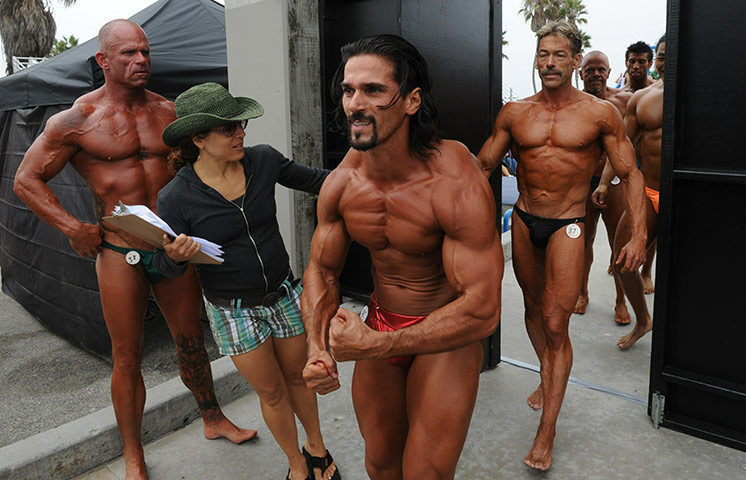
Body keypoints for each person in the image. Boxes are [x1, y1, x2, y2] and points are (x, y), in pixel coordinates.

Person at [13, 20, 255, 480]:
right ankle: (133, 454)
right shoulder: (76, 119)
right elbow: (26, 180)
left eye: (144, 51)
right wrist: (71, 227)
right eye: (127, 53)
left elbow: (205, 165)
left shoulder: (170, 113)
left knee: (191, 341)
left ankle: (212, 418)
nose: (140, 60)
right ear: (103, 60)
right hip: (118, 249)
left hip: (172, 248)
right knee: (127, 355)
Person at [301, 34, 502, 479]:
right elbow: (322, 269)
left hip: (445, 334)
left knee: (425, 473)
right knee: (380, 464)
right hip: (381, 321)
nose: (355, 103)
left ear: (411, 100)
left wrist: (376, 344)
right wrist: (318, 348)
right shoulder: (343, 183)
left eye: (374, 91)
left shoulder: (452, 177)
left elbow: (483, 310)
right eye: (349, 90)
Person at [477, 22, 647, 470]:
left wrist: (639, 234)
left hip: (568, 224)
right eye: (542, 54)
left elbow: (630, 174)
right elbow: (483, 166)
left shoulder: (599, 114)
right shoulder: (514, 112)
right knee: (533, 311)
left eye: (558, 55)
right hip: (525, 219)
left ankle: (547, 428)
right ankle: (547, 375)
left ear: (575, 61)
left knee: (556, 323)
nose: (549, 62)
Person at [153, 82, 338, 480]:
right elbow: (162, 265)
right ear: (198, 138)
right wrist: (174, 257)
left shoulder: (263, 161)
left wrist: (378, 172)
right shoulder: (176, 197)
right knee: (271, 392)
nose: (241, 133)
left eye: (240, 124)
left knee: (299, 378)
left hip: (284, 294)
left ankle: (317, 448)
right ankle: (296, 465)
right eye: (228, 128)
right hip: (233, 311)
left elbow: (322, 180)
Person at [596, 35, 666, 350]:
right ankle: (643, 320)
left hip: (691, 197)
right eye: (661, 56)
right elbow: (622, 148)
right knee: (621, 260)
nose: (666, 62)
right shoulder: (643, 100)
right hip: (650, 192)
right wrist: (602, 183)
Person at [574, 51, 633, 325]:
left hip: (615, 181)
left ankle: (621, 301)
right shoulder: (572, 104)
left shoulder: (624, 101)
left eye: (600, 70)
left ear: (609, 72)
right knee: (584, 239)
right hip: (583, 183)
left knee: (617, 242)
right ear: (580, 73)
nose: (595, 74)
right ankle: (583, 293)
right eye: (589, 70)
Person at [622, 40, 657, 293]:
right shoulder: (621, 95)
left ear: (650, 64)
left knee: (648, 228)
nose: (636, 66)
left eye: (641, 61)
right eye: (632, 61)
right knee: (631, 224)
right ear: (626, 63)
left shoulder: (656, 93)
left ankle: (647, 271)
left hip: (651, 173)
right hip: (628, 170)